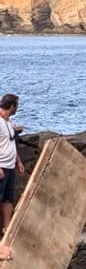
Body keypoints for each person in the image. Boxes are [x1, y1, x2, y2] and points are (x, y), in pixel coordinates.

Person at [0, 96, 23, 235]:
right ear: (12, 106)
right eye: (17, 105)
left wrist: (18, 162)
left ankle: (7, 229)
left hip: (10, 165)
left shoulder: (8, 122)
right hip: (1, 165)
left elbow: (11, 143)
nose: (17, 108)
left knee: (8, 198)